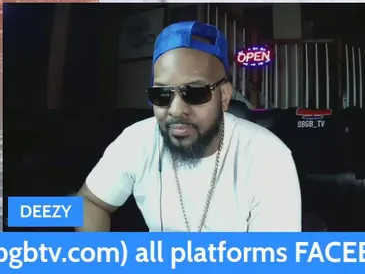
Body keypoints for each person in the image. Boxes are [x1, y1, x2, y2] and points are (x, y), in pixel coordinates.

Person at [76, 22, 302, 232]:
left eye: (195, 92)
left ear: (224, 96)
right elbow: (89, 201)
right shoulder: (136, 140)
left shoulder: (269, 156)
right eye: (162, 94)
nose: (175, 110)